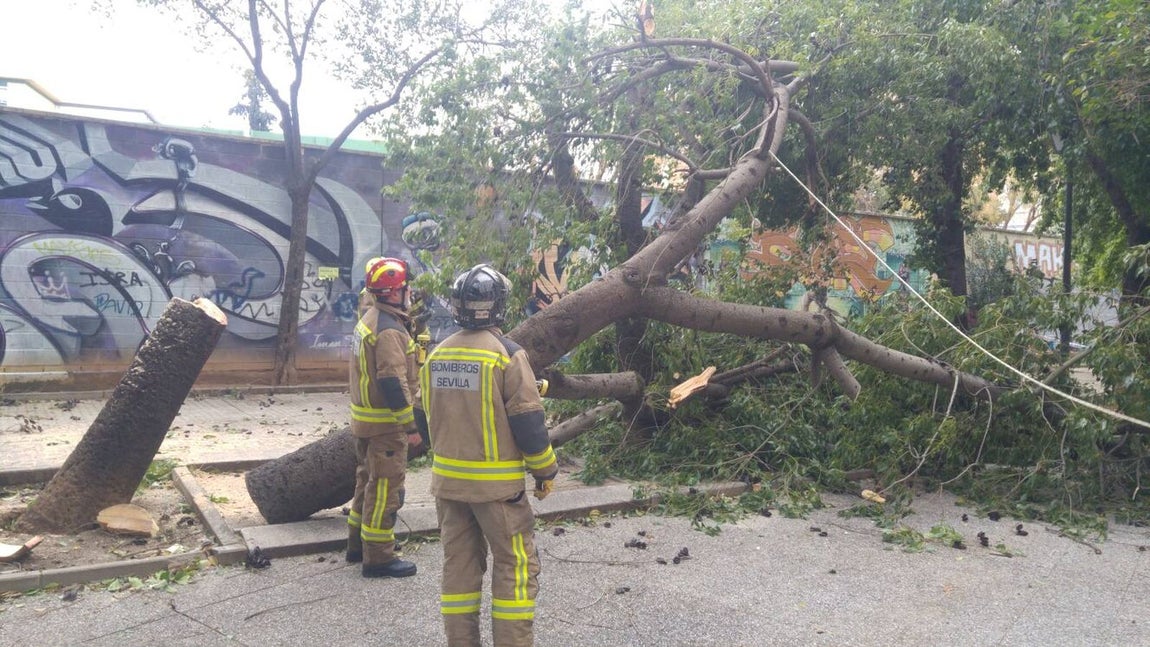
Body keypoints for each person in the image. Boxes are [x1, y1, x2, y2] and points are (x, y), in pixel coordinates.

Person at [416, 264, 558, 647]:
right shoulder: (507, 356)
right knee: (514, 567)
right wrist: (546, 471)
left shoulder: (437, 355)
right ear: (499, 306)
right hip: (498, 493)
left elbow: (422, 415)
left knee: (459, 569)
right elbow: (529, 426)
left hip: (448, 488)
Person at [347, 256, 428, 578]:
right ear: (394, 293)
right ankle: (379, 557)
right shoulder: (390, 331)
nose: (410, 293)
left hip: (365, 423)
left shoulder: (370, 318)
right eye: (406, 289)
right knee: (386, 491)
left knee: (366, 484)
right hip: (385, 427)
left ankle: (357, 545)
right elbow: (392, 380)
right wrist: (410, 426)